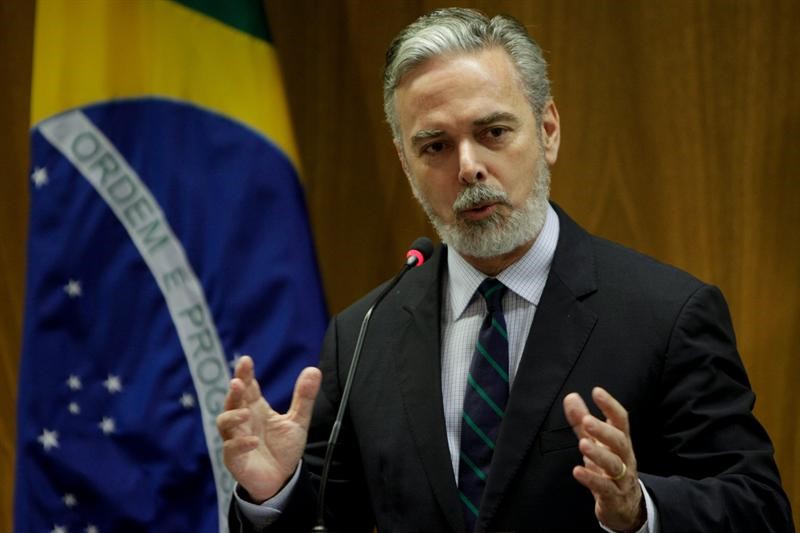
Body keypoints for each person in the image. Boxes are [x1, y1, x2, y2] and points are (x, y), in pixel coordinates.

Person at [217, 8, 794, 532]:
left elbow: (759, 508)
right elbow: (328, 519)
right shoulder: (365, 334)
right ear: (406, 163)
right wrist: (275, 495)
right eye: (435, 146)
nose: (469, 167)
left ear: (548, 131)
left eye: (493, 132)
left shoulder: (665, 315)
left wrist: (641, 509)